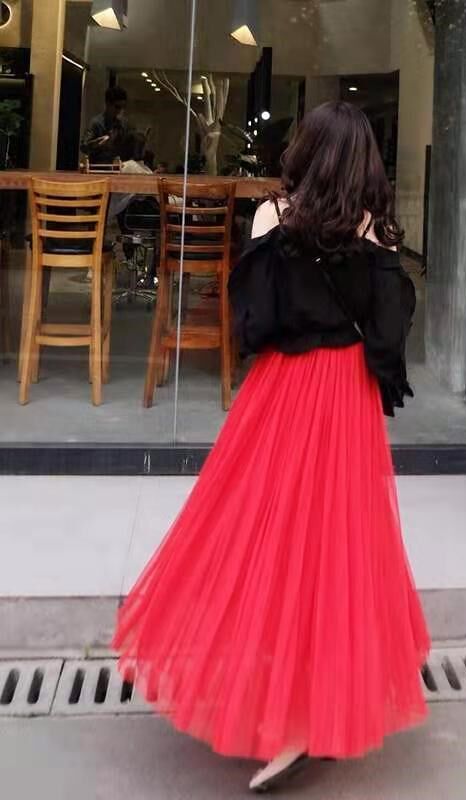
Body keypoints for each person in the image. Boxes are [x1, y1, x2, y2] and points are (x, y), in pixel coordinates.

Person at [112, 102, 431, 793]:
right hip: (345, 398)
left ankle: (274, 700)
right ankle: (313, 709)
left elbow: (252, 323)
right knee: (336, 547)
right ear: (364, 162)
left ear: (306, 151)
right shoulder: (375, 232)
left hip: (281, 393)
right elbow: (388, 335)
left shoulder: (271, 218)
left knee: (256, 534)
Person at [81, 85, 130, 164]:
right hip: (98, 167)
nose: (120, 110)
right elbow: (83, 147)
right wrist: (97, 143)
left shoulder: (122, 124)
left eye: (123, 107)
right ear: (108, 104)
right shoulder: (97, 123)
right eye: (117, 107)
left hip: (116, 166)